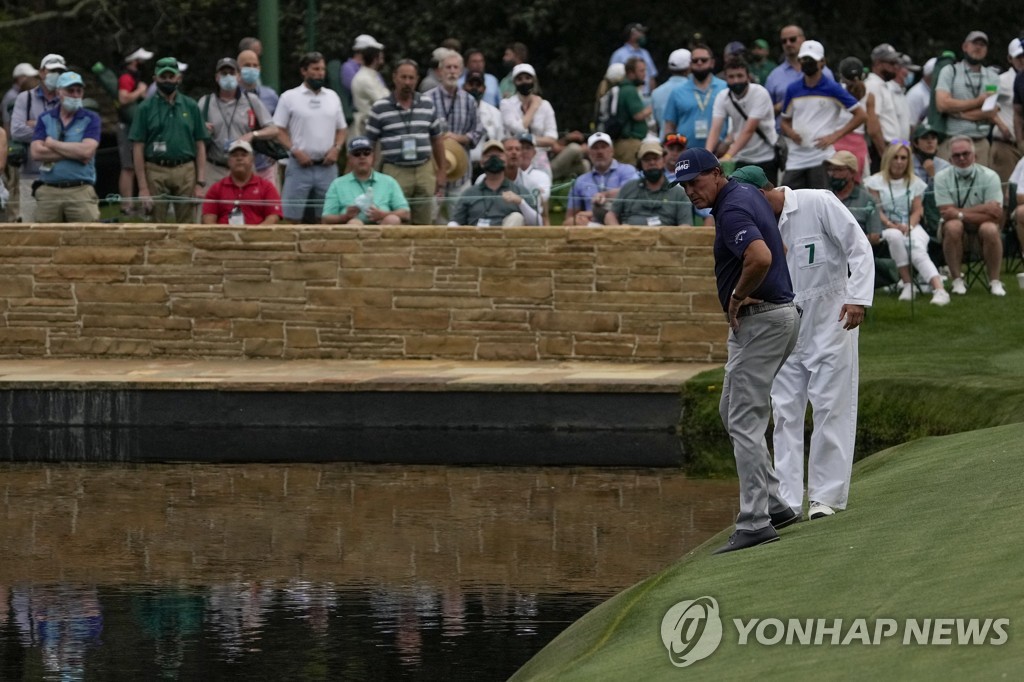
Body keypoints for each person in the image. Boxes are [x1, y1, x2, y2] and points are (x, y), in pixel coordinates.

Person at [730, 165, 873, 522]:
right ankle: (788, 502)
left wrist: (858, 298)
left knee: (830, 405)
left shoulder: (817, 202)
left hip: (832, 316)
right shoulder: (756, 224)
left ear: (763, 193)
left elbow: (859, 246)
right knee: (784, 412)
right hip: (783, 323)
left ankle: (825, 497)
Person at [675, 147, 800, 554]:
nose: (690, 192)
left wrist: (738, 295)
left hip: (762, 319)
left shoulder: (730, 210)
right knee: (730, 411)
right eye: (684, 186)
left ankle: (754, 522)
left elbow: (761, 255)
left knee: (744, 420)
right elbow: (777, 246)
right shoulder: (745, 194)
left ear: (716, 174)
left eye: (695, 182)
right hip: (777, 316)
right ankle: (776, 505)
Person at [865, 141, 950, 305]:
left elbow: (918, 210)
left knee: (916, 244)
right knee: (895, 236)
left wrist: (909, 226)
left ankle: (939, 289)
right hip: (885, 226)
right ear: (888, 159)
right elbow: (876, 210)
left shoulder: (915, 182)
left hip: (910, 224)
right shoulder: (875, 181)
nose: (899, 161)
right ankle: (908, 283)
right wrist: (891, 224)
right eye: (895, 157)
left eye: (903, 158)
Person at [364, 59, 446, 226]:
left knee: (424, 222)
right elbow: (369, 145)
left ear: (417, 79)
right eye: (404, 77)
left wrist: (442, 171)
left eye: (411, 78)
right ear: (395, 78)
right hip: (395, 171)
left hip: (424, 169)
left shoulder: (427, 104)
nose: (407, 82)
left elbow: (437, 140)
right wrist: (368, 174)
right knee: (395, 220)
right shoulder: (380, 108)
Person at [130, 56, 209, 223]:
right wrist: (143, 187)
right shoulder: (144, 108)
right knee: (155, 224)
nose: (167, 80)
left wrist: (200, 183)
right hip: (155, 169)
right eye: (163, 77)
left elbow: (200, 144)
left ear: (178, 78)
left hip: (186, 169)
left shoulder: (190, 105)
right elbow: (138, 147)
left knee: (187, 225)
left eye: (171, 76)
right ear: (155, 79)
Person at [779, 40, 865, 190]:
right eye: (804, 59)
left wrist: (835, 136)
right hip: (796, 157)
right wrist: (791, 133)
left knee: (820, 203)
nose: (807, 63)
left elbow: (861, 115)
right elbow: (784, 121)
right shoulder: (793, 89)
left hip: (821, 157)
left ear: (822, 62)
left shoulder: (832, 88)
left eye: (811, 60)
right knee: (787, 201)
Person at [273, 51, 347, 223]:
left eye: (322, 69)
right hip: (299, 166)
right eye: (315, 69)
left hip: (327, 166)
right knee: (291, 218)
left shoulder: (333, 97)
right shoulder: (289, 97)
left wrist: (337, 148)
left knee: (329, 218)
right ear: (304, 71)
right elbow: (279, 130)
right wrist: (294, 150)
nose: (320, 73)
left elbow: (342, 129)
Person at [934, 135, 1005, 295]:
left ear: (975, 156)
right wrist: (984, 208)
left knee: (990, 229)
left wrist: (958, 213)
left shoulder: (990, 176)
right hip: (954, 229)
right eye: (956, 155)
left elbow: (995, 216)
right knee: (953, 226)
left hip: (983, 228)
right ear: (950, 160)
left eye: (966, 154)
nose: (962, 158)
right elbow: (946, 213)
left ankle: (995, 281)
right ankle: (957, 280)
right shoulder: (941, 178)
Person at [29, 72, 102, 222]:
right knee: (46, 240)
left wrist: (52, 144)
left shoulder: (91, 118)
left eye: (79, 91)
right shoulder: (45, 118)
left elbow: (87, 151)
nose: (75, 95)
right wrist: (74, 152)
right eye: (70, 90)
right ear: (58, 93)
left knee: (86, 239)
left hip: (80, 190)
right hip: (49, 190)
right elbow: (36, 152)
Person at [198, 58, 277, 189]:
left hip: (245, 168)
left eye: (232, 73)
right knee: (211, 208)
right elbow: (193, 132)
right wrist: (202, 129)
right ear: (217, 77)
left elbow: (273, 130)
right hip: (214, 168)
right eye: (224, 73)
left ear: (239, 76)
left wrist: (253, 134)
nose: (228, 76)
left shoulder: (251, 100)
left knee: (249, 208)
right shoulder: (205, 102)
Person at [11, 54, 67, 223]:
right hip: (31, 174)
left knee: (62, 230)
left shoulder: (67, 98)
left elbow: (71, 134)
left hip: (62, 174)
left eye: (59, 71)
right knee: (30, 226)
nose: (56, 74)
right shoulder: (24, 98)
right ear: (42, 72)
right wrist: (53, 130)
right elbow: (17, 131)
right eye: (52, 70)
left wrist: (37, 124)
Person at [826, 151, 895, 286]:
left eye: (839, 170)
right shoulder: (825, 197)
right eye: (831, 170)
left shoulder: (866, 199)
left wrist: (849, 242)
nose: (833, 174)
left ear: (852, 173)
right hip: (828, 254)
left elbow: (875, 236)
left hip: (855, 256)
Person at [934, 31, 1000, 165]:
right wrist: (978, 102)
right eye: (975, 43)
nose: (978, 47)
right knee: (949, 184)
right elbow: (942, 104)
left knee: (980, 185)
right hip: (952, 141)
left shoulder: (992, 77)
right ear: (965, 46)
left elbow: (990, 111)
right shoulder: (950, 71)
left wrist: (959, 113)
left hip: (980, 143)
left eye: (983, 45)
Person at [707, 57, 778, 180]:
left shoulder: (760, 93)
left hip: (765, 156)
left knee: (766, 198)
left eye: (740, 76)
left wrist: (728, 155)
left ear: (748, 76)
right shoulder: (723, 97)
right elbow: (715, 129)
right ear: (726, 78)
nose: (736, 80)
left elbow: (749, 129)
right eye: (731, 77)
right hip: (741, 157)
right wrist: (707, 155)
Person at [322, 136, 409, 225]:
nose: (362, 157)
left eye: (366, 153)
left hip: (383, 227)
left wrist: (383, 214)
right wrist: (345, 217)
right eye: (357, 154)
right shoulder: (338, 184)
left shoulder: (389, 181)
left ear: (373, 157)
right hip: (353, 230)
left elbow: (406, 213)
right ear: (349, 158)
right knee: (354, 223)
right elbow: (326, 218)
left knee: (392, 219)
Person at [448, 139, 537, 226]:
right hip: (477, 237)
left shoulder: (519, 191)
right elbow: (455, 222)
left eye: (498, 155)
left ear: (506, 161)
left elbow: (537, 222)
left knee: (517, 217)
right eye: (489, 155)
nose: (494, 159)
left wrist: (521, 202)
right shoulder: (469, 193)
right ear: (481, 162)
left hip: (506, 238)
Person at [427, 50, 482, 191]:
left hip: (461, 173)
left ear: (462, 71)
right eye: (448, 67)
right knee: (432, 213)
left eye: (455, 67)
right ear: (440, 71)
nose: (452, 71)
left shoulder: (469, 101)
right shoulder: (426, 99)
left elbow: (477, 132)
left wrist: (459, 138)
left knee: (460, 213)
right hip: (432, 171)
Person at [606, 140, 693, 226]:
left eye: (655, 158)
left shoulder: (678, 193)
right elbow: (610, 215)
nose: (652, 162)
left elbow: (685, 225)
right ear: (641, 164)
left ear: (663, 160)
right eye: (647, 159)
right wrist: (618, 229)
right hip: (630, 237)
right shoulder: (629, 187)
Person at [200, 140, 282, 225]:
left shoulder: (267, 187)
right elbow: (208, 220)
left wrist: (254, 234)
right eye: (235, 155)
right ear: (228, 161)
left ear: (252, 160)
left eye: (244, 155)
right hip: (224, 236)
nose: (239, 158)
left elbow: (273, 217)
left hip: (257, 236)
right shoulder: (216, 188)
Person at [663, 44, 727, 152]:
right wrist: (671, 149)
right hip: (686, 151)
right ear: (690, 64)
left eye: (704, 60)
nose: (699, 63)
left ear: (712, 63)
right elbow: (669, 126)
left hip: (720, 151)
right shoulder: (677, 91)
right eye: (695, 60)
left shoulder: (724, 88)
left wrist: (727, 143)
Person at [565, 131, 637, 225]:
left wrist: (604, 196)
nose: (600, 152)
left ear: (612, 151)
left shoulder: (627, 171)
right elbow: (569, 218)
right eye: (595, 148)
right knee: (572, 222)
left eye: (604, 147)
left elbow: (631, 192)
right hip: (592, 227)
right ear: (589, 153)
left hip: (621, 221)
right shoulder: (580, 181)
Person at [116, 48, 152, 216]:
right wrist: (140, 91)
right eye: (140, 61)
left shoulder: (135, 77)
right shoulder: (126, 77)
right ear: (133, 62)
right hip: (126, 127)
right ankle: (126, 206)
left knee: (135, 165)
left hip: (134, 125)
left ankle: (135, 204)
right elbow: (123, 98)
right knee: (128, 167)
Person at [764, 25, 835, 111]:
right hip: (785, 122)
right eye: (784, 41)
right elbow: (765, 113)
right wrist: (784, 105)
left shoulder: (824, 72)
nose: (788, 44)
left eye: (792, 39)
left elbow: (835, 104)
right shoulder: (774, 76)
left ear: (803, 39)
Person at [864, 43, 905, 171]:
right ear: (877, 63)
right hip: (881, 149)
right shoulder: (873, 86)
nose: (895, 67)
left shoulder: (883, 85)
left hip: (892, 148)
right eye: (891, 63)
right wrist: (884, 154)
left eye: (896, 63)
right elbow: (873, 126)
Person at [991, 39, 1024, 182]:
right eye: (1018, 57)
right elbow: (986, 105)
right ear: (1010, 59)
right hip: (1007, 145)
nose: (1022, 60)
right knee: (1007, 194)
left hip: (1021, 143)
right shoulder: (998, 80)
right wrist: (1000, 124)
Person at [612, 57, 653, 164]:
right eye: (641, 71)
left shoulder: (623, 88)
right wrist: (652, 108)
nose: (644, 74)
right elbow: (638, 115)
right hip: (630, 144)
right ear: (630, 73)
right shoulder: (630, 90)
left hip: (625, 142)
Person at [464, 71, 504, 170]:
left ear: (484, 88)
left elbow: (500, 140)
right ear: (464, 87)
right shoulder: (456, 111)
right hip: (462, 164)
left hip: (488, 167)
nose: (474, 88)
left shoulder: (494, 113)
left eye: (478, 85)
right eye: (471, 84)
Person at [350, 41, 388, 137]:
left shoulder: (371, 75)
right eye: (381, 57)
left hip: (374, 125)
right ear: (375, 59)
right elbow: (383, 101)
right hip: (367, 127)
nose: (383, 60)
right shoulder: (364, 78)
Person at [608, 22, 658, 96]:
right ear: (632, 34)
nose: (643, 35)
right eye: (641, 32)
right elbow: (612, 78)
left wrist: (653, 96)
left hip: (645, 95)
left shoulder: (645, 53)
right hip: (627, 96)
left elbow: (651, 77)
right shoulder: (618, 54)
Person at [652, 49, 690, 138]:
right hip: (687, 144)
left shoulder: (656, 92)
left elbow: (657, 123)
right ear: (689, 68)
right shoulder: (692, 90)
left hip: (666, 144)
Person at [514, 133, 551, 223]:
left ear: (534, 152)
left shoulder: (542, 176)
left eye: (528, 148)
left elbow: (542, 199)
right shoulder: (510, 173)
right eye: (521, 148)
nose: (524, 151)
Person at [238, 48, 279, 116]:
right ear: (237, 69)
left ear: (259, 68)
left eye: (255, 65)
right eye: (247, 65)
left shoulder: (271, 95)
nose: (251, 69)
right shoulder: (231, 95)